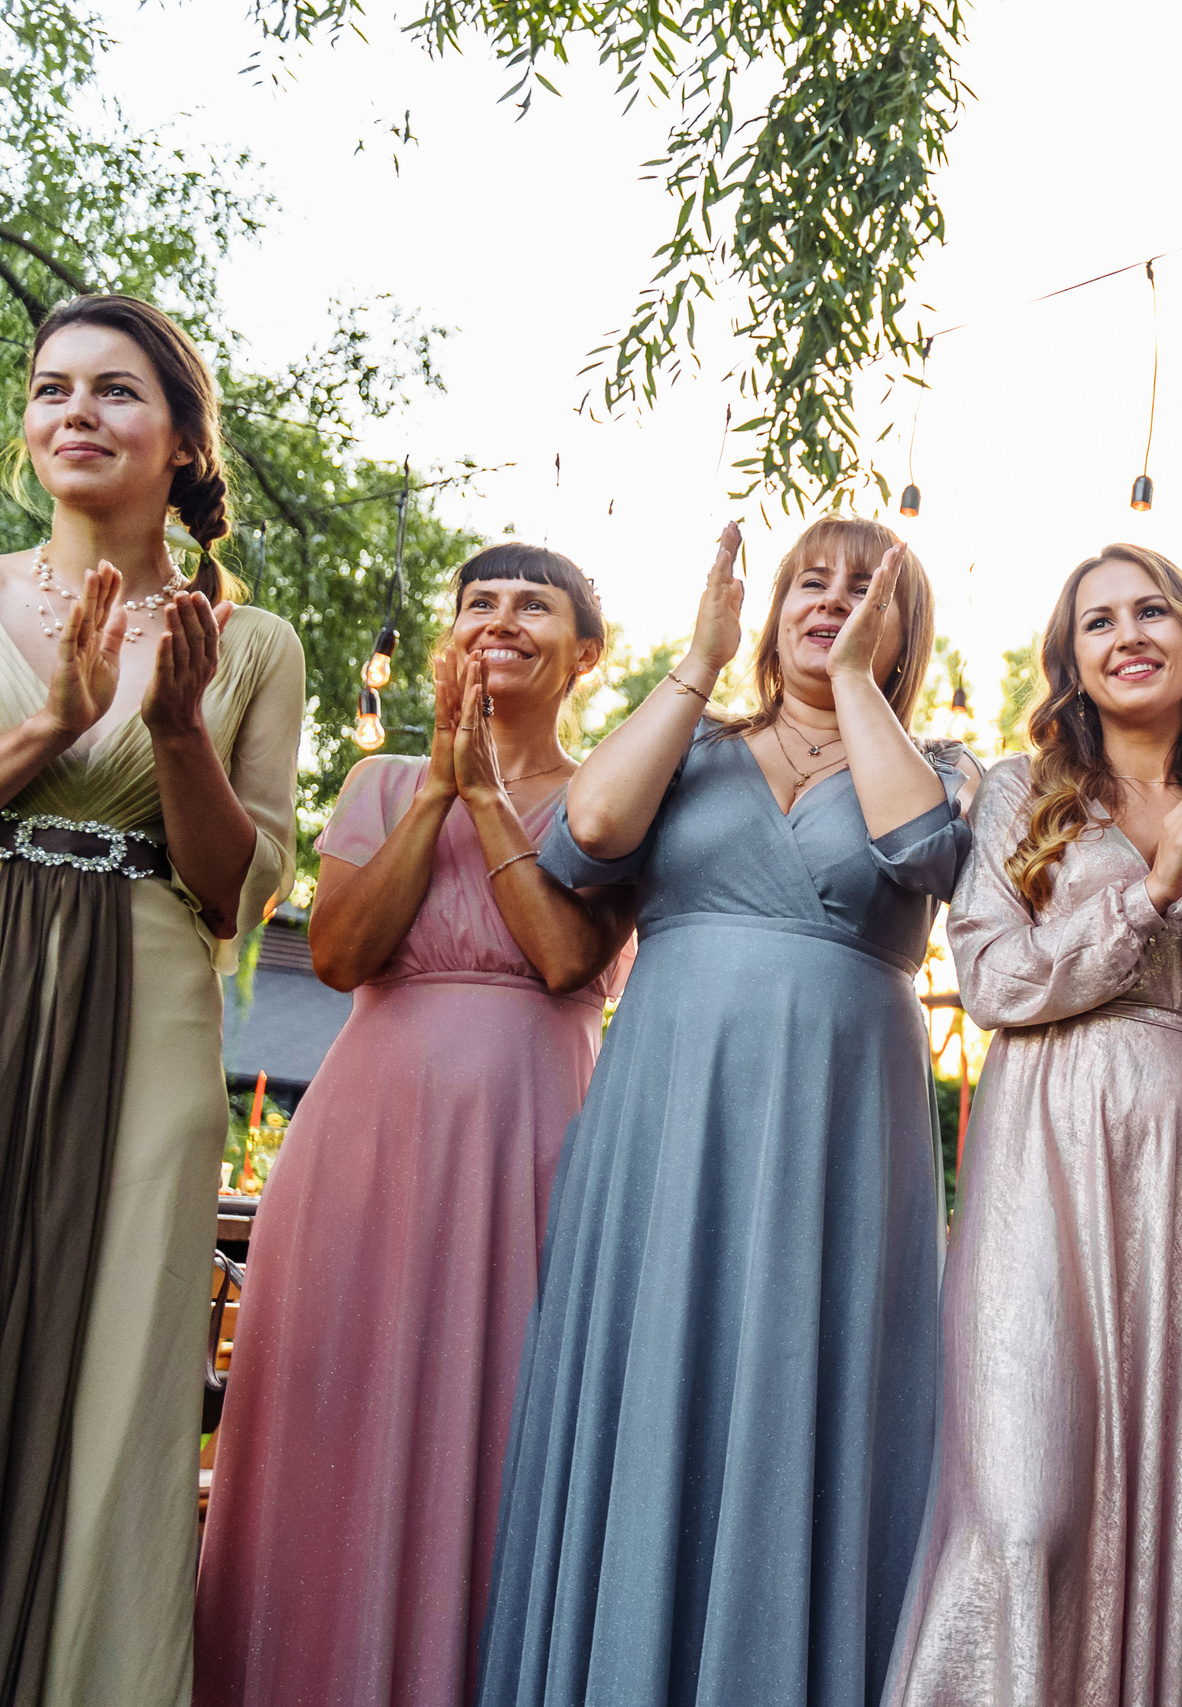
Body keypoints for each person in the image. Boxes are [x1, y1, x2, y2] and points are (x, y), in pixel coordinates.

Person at [473, 517, 971, 1707]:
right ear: (768, 607)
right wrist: (694, 664)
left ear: (903, 629)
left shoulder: (940, 763)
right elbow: (587, 833)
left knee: (813, 1386)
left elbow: (922, 849)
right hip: (668, 1115)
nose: (832, 601)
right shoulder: (692, 746)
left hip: (841, 1129)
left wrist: (856, 685)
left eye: (867, 591)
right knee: (654, 1375)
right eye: (811, 582)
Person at [194, 546, 640, 1707]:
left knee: (503, 1420)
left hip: (533, 1143)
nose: (498, 620)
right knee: (333, 1411)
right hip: (366, 1140)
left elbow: (562, 960)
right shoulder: (381, 784)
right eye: (477, 604)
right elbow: (339, 954)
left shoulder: (613, 797)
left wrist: (490, 794)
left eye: (531, 605)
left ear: (586, 653)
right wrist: (441, 785)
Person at [888, 545, 1182, 1705]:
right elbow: (1002, 985)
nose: (1128, 635)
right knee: (1022, 1498)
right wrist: (1150, 894)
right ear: (1069, 661)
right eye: (1098, 621)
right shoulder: (1022, 794)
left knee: (1174, 1491)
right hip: (1042, 1152)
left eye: (1151, 609)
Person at [0, 294, 303, 1707]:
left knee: (125, 1362)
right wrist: (54, 728)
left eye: (116, 392)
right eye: (52, 388)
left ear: (182, 440)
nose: (75, 413)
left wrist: (174, 729)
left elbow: (234, 887)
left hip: (151, 982)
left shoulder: (253, 643)